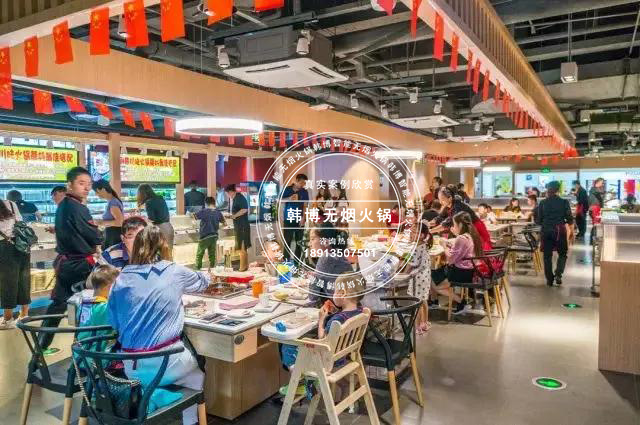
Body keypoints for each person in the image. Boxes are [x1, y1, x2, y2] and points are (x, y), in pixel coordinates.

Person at [107, 226, 211, 425]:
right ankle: (191, 421)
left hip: (130, 367)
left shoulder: (120, 278)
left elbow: (114, 323)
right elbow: (203, 282)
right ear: (164, 246)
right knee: (197, 372)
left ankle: (154, 399)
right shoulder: (173, 271)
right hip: (166, 364)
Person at [41, 167, 103, 349]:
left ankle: (39, 350)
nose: (87, 188)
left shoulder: (63, 205)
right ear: (70, 184)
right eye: (81, 183)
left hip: (66, 263)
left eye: (89, 184)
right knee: (86, 306)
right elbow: (95, 235)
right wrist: (100, 235)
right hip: (80, 264)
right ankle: (83, 350)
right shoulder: (78, 207)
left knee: (58, 305)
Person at [280, 273, 365, 396]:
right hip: (344, 355)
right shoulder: (360, 312)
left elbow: (323, 340)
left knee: (287, 346)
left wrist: (321, 321)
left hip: (326, 360)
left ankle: (303, 380)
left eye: (335, 291)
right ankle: (310, 381)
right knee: (305, 340)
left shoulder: (337, 320)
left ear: (343, 294)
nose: (333, 294)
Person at [431, 212, 483, 314]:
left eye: (454, 224)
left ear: (460, 224)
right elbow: (462, 252)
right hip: (469, 271)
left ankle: (461, 302)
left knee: (434, 284)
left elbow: (450, 259)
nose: (453, 227)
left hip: (460, 272)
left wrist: (444, 245)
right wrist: (451, 245)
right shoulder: (472, 235)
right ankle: (435, 302)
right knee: (433, 275)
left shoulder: (461, 238)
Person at [536, 181, 574, 287]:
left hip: (546, 230)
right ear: (558, 190)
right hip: (559, 230)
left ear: (547, 189)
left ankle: (549, 279)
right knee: (562, 253)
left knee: (547, 256)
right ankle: (558, 274)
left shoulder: (543, 203)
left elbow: (539, 220)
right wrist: (572, 232)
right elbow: (569, 219)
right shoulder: (564, 202)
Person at [0, 196, 30, 329]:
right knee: (23, 279)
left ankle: (8, 319)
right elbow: (20, 222)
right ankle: (24, 314)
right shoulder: (11, 204)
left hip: (5, 246)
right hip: (21, 244)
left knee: (7, 282)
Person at [75, 265, 119, 356]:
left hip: (81, 355)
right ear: (109, 287)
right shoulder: (105, 307)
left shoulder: (83, 304)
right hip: (100, 358)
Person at [430, 187, 492, 251]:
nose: (440, 202)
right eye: (439, 199)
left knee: (477, 250)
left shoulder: (458, 207)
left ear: (450, 198)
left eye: (442, 199)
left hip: (476, 230)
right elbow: (440, 217)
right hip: (468, 232)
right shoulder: (449, 206)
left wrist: (430, 231)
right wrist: (428, 224)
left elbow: (447, 223)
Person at [309, 222, 353, 302]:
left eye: (312, 239)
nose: (310, 244)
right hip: (347, 304)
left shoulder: (326, 258)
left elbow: (313, 297)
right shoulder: (335, 254)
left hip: (339, 306)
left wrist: (313, 277)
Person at [137, 184, 174, 250]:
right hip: (168, 226)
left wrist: (143, 219)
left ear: (142, 193)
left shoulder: (149, 202)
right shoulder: (160, 198)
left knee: (159, 252)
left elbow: (152, 219)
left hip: (160, 229)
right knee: (168, 251)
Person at [282, 174, 309, 261]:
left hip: (299, 219)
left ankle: (297, 263)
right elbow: (279, 200)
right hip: (288, 218)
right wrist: (289, 198)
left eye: (304, 183)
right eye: (301, 183)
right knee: (287, 241)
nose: (302, 185)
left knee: (299, 242)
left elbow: (305, 205)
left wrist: (303, 218)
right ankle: (286, 262)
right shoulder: (287, 189)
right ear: (296, 181)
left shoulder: (304, 192)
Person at [193, 196, 224, 269]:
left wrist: (190, 213)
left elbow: (194, 216)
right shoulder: (218, 212)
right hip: (214, 236)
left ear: (206, 204)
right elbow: (224, 223)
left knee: (200, 254)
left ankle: (198, 269)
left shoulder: (204, 211)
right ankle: (212, 269)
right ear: (214, 203)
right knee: (212, 254)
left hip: (205, 236)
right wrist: (217, 227)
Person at [93, 179, 124, 249]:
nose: (96, 194)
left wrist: (101, 222)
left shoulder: (113, 202)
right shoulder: (112, 201)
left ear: (103, 189)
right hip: (113, 235)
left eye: (96, 192)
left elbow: (120, 222)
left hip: (114, 236)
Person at [225, 184, 251, 271]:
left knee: (242, 247)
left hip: (242, 226)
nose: (228, 195)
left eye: (228, 193)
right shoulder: (236, 198)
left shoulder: (240, 198)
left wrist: (234, 216)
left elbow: (244, 209)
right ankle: (245, 266)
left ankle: (242, 267)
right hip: (239, 226)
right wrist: (232, 216)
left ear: (231, 192)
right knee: (242, 247)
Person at [588, 178, 605, 244]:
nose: (602, 184)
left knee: (596, 224)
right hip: (594, 208)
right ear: (598, 182)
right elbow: (600, 193)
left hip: (595, 208)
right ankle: (593, 241)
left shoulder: (596, 189)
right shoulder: (593, 189)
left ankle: (593, 240)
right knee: (596, 224)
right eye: (602, 182)